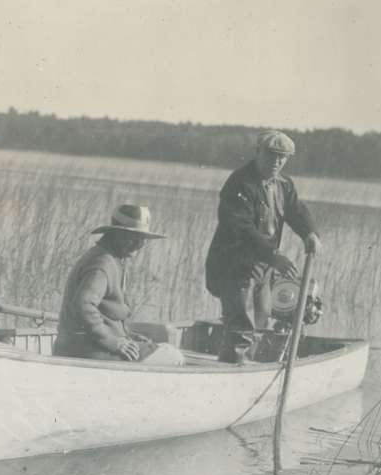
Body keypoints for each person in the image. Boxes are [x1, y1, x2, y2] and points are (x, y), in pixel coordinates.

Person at [204, 130, 323, 363]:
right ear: (257, 152)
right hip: (235, 267)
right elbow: (241, 228)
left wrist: (310, 233)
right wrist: (274, 255)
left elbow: (296, 210)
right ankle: (231, 373)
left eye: (283, 157)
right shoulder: (239, 182)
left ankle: (245, 368)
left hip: (263, 269)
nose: (277, 161)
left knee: (261, 321)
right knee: (240, 328)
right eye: (271, 154)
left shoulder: (284, 185)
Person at [53, 204, 181, 364]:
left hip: (81, 347)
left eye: (142, 239)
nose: (140, 245)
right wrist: (116, 343)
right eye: (134, 237)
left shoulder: (107, 257)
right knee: (174, 357)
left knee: (161, 347)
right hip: (88, 351)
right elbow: (83, 306)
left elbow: (105, 314)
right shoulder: (102, 264)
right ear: (115, 234)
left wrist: (129, 336)